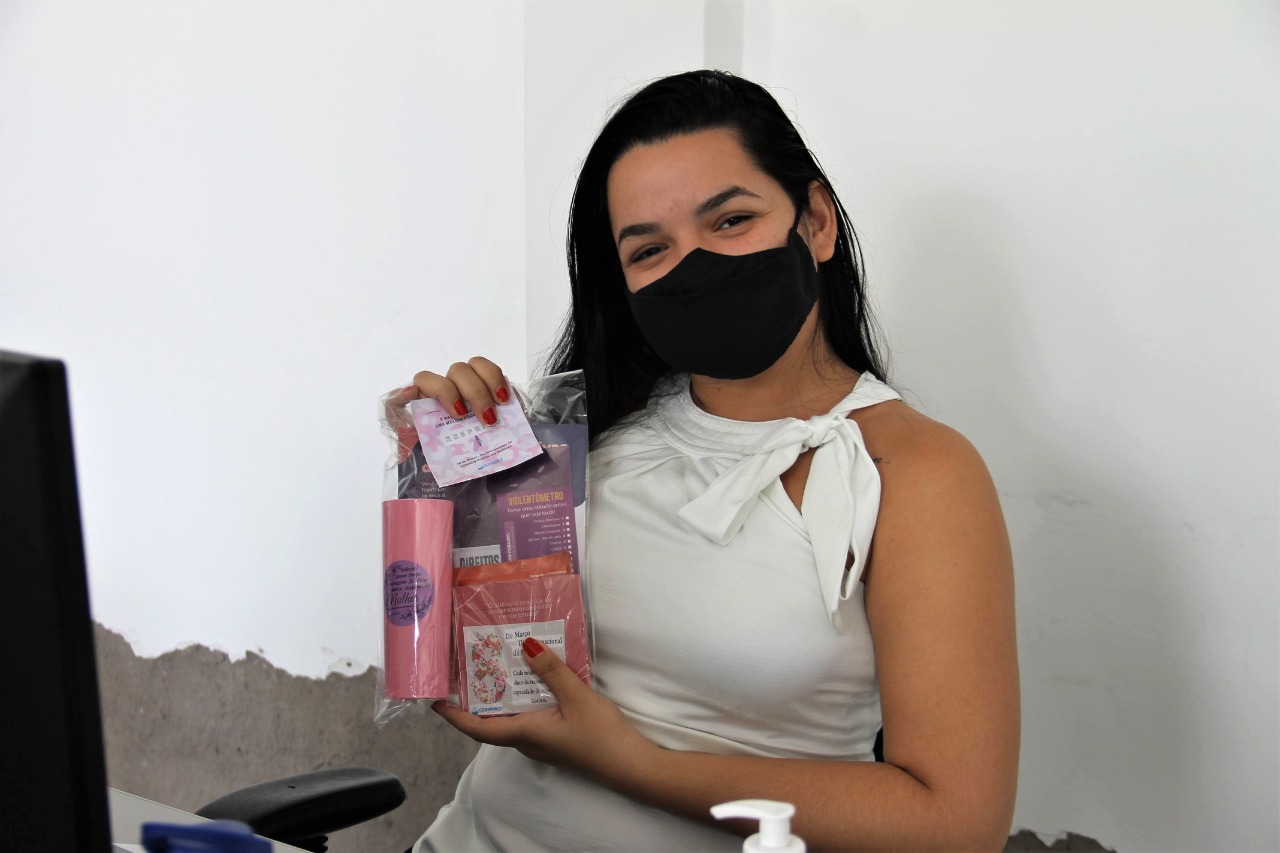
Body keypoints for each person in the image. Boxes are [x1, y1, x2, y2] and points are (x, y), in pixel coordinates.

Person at [397, 70, 1019, 851]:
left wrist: (628, 760)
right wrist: (439, 477)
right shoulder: (589, 430)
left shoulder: (915, 472)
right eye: (650, 248)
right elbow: (472, 647)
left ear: (816, 222)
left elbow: (955, 824)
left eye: (730, 220)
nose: (692, 265)